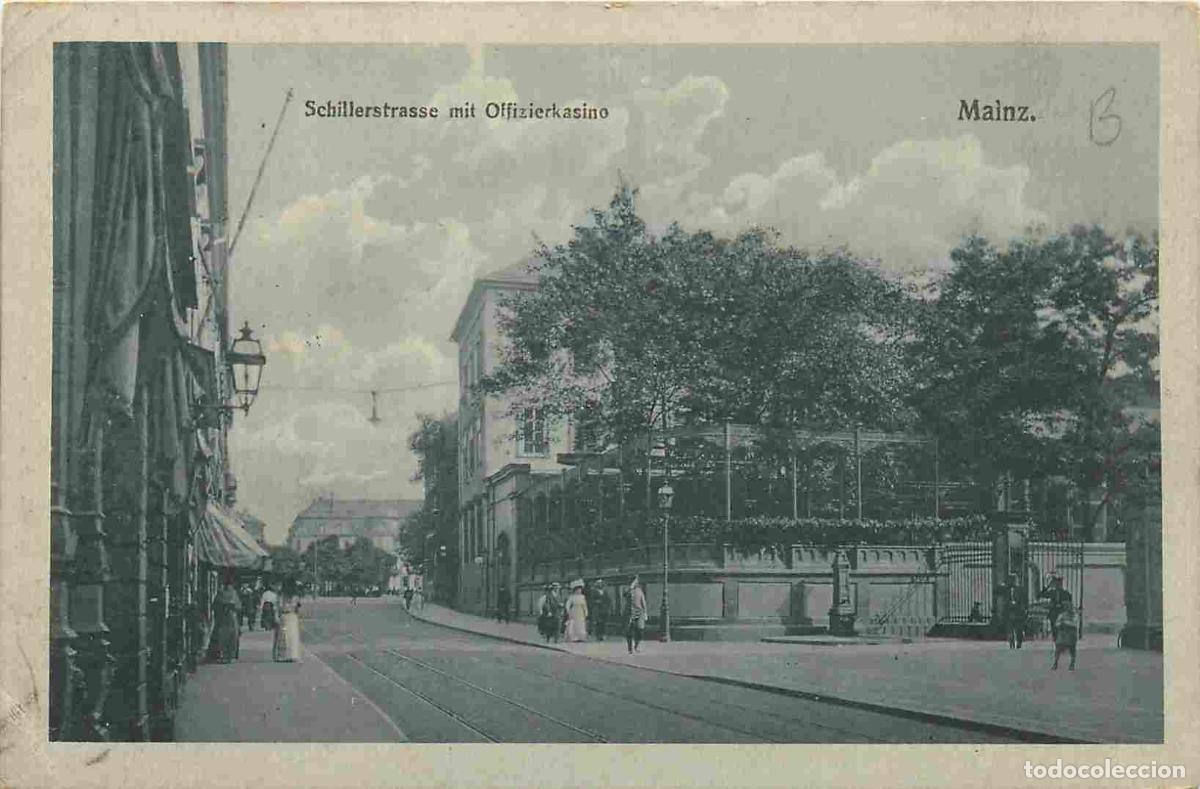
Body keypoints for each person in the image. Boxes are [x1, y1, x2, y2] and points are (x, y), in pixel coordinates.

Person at [212, 575, 242, 664]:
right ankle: (226, 656)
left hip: (229, 619)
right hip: (227, 619)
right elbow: (238, 606)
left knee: (229, 637)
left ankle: (228, 656)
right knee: (227, 637)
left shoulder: (230, 593)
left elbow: (238, 606)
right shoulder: (225, 593)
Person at [274, 578, 303, 663]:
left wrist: (276, 617)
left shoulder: (281, 595)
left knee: (283, 636)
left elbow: (277, 607)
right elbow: (298, 607)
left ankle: (282, 655)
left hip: (284, 615)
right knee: (293, 637)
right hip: (292, 616)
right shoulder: (296, 596)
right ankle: (293, 655)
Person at [1037, 574, 1073, 642]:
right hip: (1054, 614)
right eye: (1057, 583)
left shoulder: (1066, 594)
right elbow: (1040, 595)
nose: (1058, 585)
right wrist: (1047, 587)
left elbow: (1069, 605)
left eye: (1059, 583)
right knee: (1055, 630)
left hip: (1062, 614)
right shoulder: (1052, 593)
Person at [1052, 606, 1079, 670]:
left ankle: (1072, 664)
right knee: (1058, 649)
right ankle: (1055, 663)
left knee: (1072, 649)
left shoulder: (1075, 615)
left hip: (1071, 635)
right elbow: (1057, 624)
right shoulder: (1061, 615)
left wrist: (1065, 623)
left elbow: (1074, 624)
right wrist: (1061, 623)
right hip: (1062, 634)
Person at [1003, 574, 1026, 649]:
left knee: (1019, 629)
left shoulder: (1021, 590)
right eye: (1010, 579)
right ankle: (1011, 642)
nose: (1012, 581)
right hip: (1010, 611)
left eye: (1013, 579)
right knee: (1010, 628)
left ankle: (1019, 642)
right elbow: (1005, 601)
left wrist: (1023, 609)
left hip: (1018, 611)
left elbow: (1023, 601)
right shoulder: (1006, 590)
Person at [626, 575, 647, 654]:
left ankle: (637, 645)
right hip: (629, 613)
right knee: (629, 631)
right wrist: (630, 588)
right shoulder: (628, 590)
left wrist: (645, 613)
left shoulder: (639, 590)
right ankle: (630, 648)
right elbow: (625, 595)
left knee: (640, 630)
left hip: (638, 612)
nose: (634, 582)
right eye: (633, 581)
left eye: (635, 581)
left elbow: (643, 602)